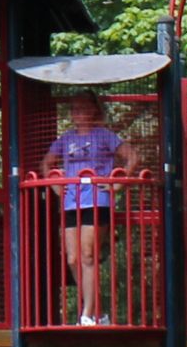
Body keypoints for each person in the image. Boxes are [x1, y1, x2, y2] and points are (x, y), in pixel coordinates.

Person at [43, 90, 149, 326]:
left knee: (88, 254)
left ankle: (88, 313)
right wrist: (57, 189)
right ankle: (96, 310)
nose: (78, 113)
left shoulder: (105, 136)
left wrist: (119, 184)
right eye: (74, 109)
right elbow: (47, 163)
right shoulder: (66, 139)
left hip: (97, 200)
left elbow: (132, 157)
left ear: (94, 110)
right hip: (72, 203)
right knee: (72, 258)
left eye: (83, 108)